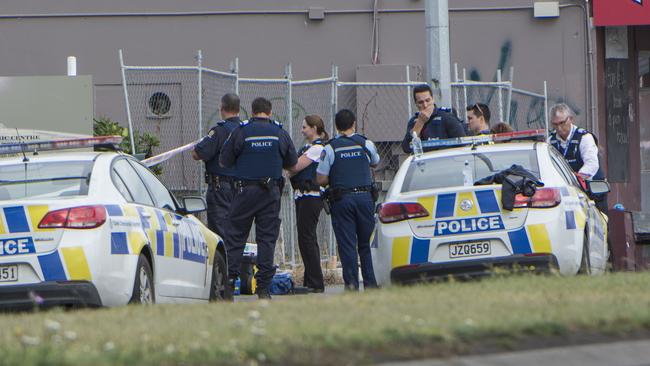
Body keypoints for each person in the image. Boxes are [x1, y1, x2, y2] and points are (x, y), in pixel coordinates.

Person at [220, 97, 298, 299]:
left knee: (235, 237)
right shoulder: (280, 132)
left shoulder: (241, 131)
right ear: (269, 112)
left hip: (244, 191)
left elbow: (225, 160)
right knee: (266, 240)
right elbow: (292, 162)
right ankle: (263, 289)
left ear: (252, 112)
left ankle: (229, 285)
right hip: (271, 193)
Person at [317, 109, 379, 291]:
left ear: (336, 126)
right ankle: (370, 284)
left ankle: (351, 285)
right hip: (365, 198)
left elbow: (321, 178)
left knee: (347, 245)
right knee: (365, 244)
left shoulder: (330, 147)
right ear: (353, 124)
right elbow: (375, 162)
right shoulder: (365, 143)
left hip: (342, 200)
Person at [288, 115, 329, 293]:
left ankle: (315, 282)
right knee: (305, 238)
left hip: (310, 197)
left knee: (307, 238)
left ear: (314, 128)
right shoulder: (308, 148)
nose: (302, 130)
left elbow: (295, 167)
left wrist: (289, 166)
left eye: (305, 127)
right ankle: (310, 279)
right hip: (303, 197)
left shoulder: (316, 148)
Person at [192, 93, 241, 239]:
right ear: (238, 109)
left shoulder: (219, 131)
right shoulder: (245, 130)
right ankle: (236, 260)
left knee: (219, 231)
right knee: (237, 229)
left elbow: (197, 154)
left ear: (222, 108)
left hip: (220, 188)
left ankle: (223, 261)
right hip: (242, 188)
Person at [548, 103, 607, 213]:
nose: (559, 128)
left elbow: (592, 164)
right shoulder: (550, 141)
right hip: (565, 195)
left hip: (591, 192)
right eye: (555, 124)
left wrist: (576, 179)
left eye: (562, 123)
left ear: (570, 119)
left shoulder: (584, 137)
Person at [401, 84, 465, 153]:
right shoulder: (413, 121)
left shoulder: (446, 117)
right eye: (420, 102)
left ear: (433, 100)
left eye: (427, 100)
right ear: (416, 104)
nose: (425, 105)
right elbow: (406, 148)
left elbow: (462, 142)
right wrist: (420, 123)